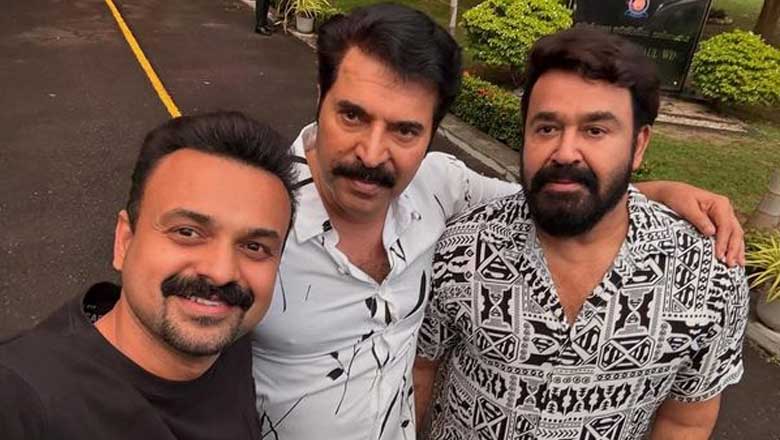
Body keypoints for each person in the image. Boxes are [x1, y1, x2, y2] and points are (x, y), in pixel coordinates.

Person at [250, 5, 745, 440]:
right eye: (353, 116)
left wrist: (657, 192)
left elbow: (555, 193)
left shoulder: (440, 187)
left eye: (405, 130)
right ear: (321, 95)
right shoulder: (253, 220)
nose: (372, 153)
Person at [413, 27, 750, 440]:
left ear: (639, 145)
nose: (565, 152)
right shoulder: (462, 247)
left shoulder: (708, 276)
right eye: (546, 128)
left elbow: (686, 419)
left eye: (595, 130)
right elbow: (420, 371)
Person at [0, 111, 297, 439]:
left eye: (254, 247)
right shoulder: (20, 402)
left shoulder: (230, 344)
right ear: (124, 241)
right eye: (187, 232)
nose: (221, 272)